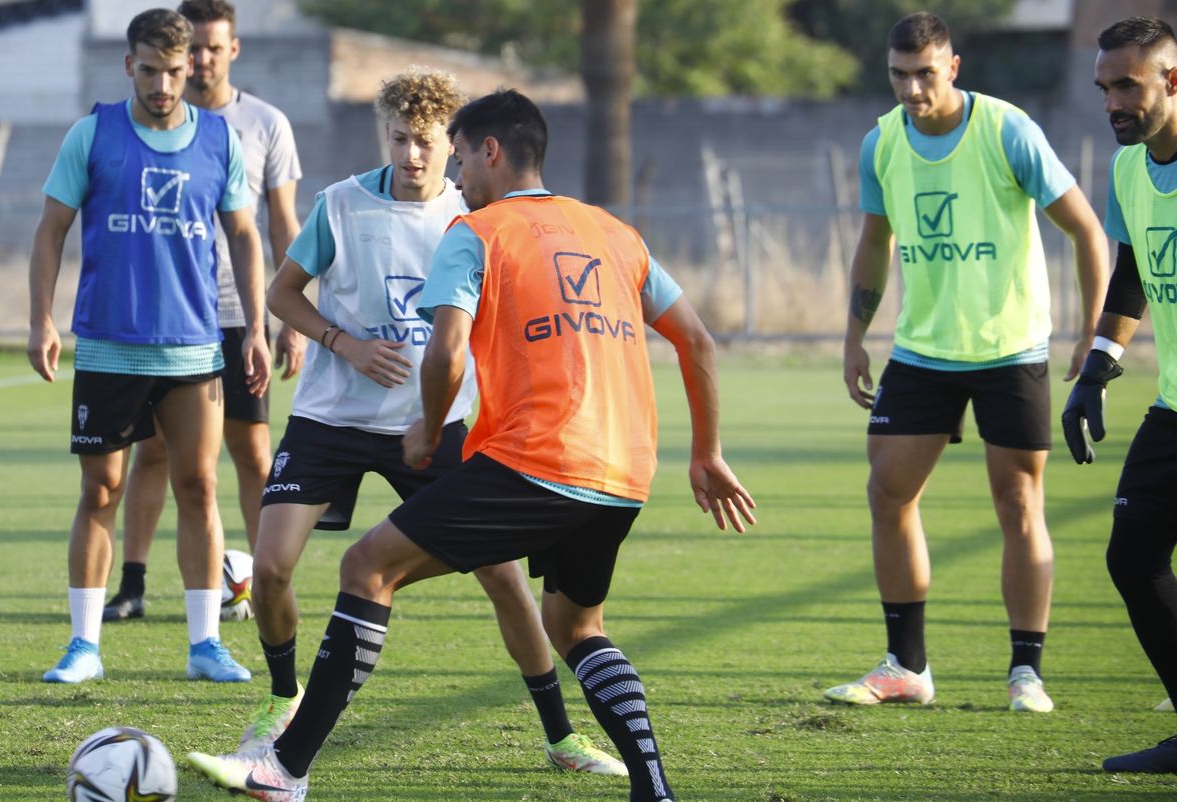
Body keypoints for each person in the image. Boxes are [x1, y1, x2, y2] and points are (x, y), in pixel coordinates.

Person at [189, 87, 757, 802]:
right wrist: (706, 452)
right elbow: (697, 340)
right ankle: (654, 788)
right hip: (624, 474)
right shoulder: (615, 232)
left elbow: (447, 349)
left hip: (536, 460)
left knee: (368, 567)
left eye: (459, 156)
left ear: (491, 152)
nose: (455, 176)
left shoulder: (478, 229)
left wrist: (428, 424)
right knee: (575, 624)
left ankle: (283, 770)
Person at [226, 66, 626, 776]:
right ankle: (282, 699)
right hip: (331, 419)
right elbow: (284, 294)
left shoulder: (476, 215)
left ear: (460, 146)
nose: (411, 155)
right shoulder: (341, 205)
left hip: (439, 425)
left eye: (426, 142)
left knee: (504, 581)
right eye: (398, 138)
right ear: (384, 134)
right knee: (271, 566)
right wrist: (342, 343)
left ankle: (561, 735)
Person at [831, 11, 1107, 713]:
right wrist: (854, 332)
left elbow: (1086, 230)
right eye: (899, 75)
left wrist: (1094, 331)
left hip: (1009, 347)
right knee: (887, 493)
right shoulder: (881, 144)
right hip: (922, 351)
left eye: (925, 73)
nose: (913, 90)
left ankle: (1026, 672)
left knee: (1018, 503)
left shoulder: (1008, 130)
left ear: (953, 66)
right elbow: (874, 242)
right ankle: (907, 666)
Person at [27, 7, 269, 684]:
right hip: (107, 345)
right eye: (150, 70)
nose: (162, 84)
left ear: (191, 65)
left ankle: (205, 646)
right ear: (128, 65)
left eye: (173, 70)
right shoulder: (93, 134)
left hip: (193, 349)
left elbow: (245, 235)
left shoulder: (218, 140)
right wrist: (41, 319)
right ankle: (83, 646)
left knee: (198, 486)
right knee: (101, 491)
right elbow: (51, 230)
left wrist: (254, 325)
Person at [105, 0, 306, 624]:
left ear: (233, 50)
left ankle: (270, 580)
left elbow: (280, 225)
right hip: (170, 315)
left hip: (236, 313)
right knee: (157, 452)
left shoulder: (265, 124)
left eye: (214, 49)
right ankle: (132, 583)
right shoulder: (154, 123)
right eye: (193, 51)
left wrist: (288, 320)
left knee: (252, 450)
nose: (201, 62)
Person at [1069, 15, 1177, 772]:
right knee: (1133, 559)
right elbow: (1134, 272)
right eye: (1105, 87)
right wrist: (1097, 369)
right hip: (1174, 410)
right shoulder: (1133, 169)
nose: (1112, 102)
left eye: (1128, 86)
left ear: (1172, 80)